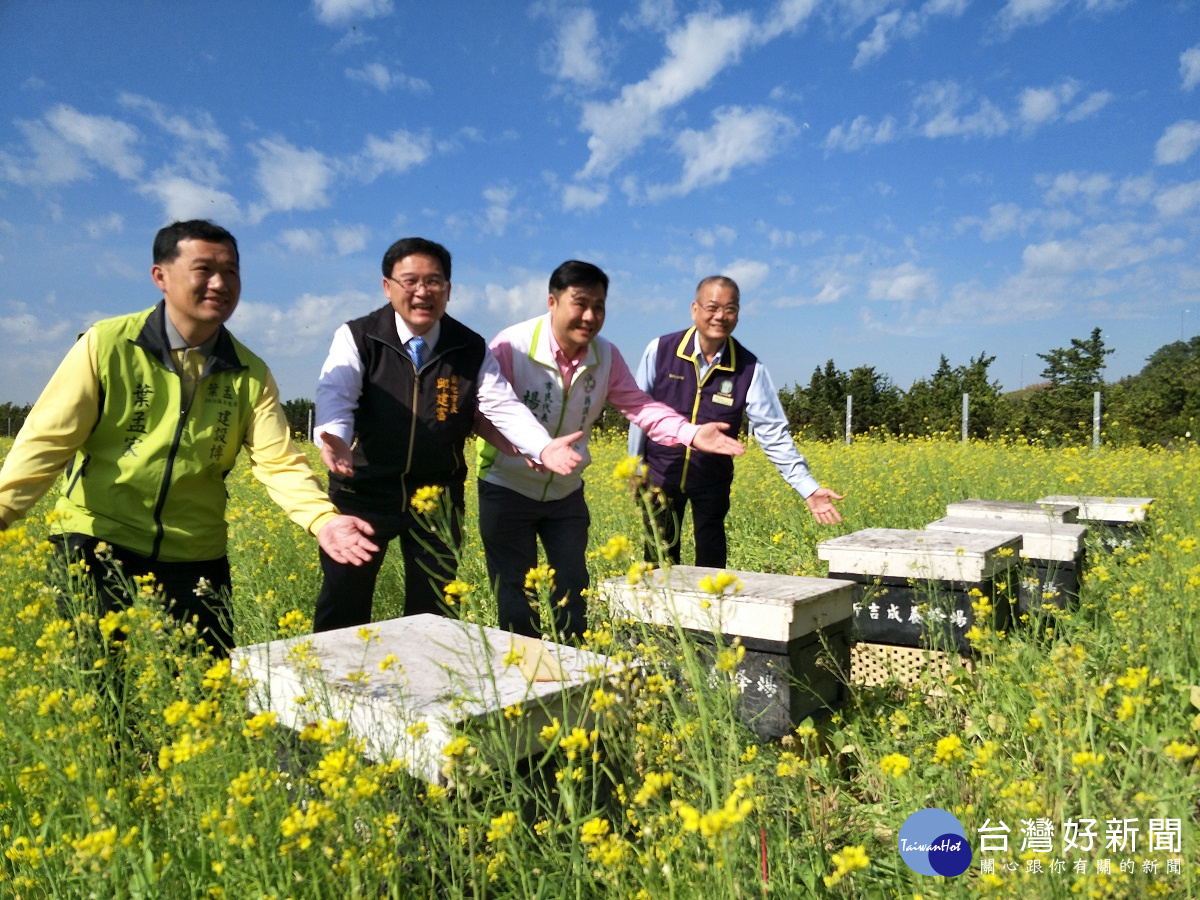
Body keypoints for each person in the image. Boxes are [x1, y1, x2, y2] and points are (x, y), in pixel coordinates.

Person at [0, 220, 379, 655]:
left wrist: (323, 519)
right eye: (204, 269)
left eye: (231, 271)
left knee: (205, 690)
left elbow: (278, 461)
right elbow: (47, 439)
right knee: (98, 691)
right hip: (95, 540)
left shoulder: (250, 372)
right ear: (160, 275)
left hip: (195, 553)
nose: (220, 283)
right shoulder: (107, 344)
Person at [312, 237, 581, 632]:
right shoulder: (358, 336)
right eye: (410, 281)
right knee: (345, 599)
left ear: (449, 290)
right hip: (364, 491)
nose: (422, 291)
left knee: (435, 608)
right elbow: (337, 393)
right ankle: (330, 688)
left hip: (438, 495)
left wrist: (541, 446)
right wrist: (334, 434)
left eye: (434, 281)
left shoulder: (469, 346)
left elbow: (500, 404)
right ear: (387, 287)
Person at [477, 260, 746, 640]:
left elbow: (638, 404)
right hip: (507, 487)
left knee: (573, 586)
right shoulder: (512, 346)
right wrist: (523, 446)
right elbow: (484, 405)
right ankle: (525, 683)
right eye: (580, 303)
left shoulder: (604, 355)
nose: (590, 316)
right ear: (552, 301)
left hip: (566, 492)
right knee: (515, 594)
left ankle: (574, 675)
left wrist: (688, 432)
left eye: (599, 306)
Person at [628, 275, 843, 569]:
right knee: (658, 558)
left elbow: (772, 433)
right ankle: (656, 615)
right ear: (694, 309)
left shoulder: (749, 368)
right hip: (660, 475)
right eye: (712, 307)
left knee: (711, 555)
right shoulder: (661, 350)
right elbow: (640, 411)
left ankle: (712, 614)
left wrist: (807, 487)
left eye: (730, 309)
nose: (720, 316)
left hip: (712, 478)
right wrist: (635, 466)